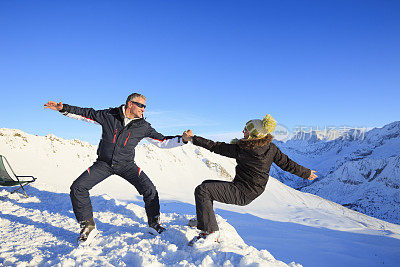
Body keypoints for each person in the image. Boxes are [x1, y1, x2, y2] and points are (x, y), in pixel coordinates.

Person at [44, 93, 192, 242]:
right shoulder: (109, 115)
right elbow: (86, 113)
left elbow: (162, 141)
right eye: (141, 105)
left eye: (145, 106)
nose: (143, 109)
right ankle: (88, 227)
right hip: (104, 164)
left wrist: (183, 140)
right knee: (78, 187)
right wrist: (63, 108)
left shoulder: (143, 126)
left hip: (127, 165)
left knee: (150, 189)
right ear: (130, 104)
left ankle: (154, 224)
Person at [184, 114, 317, 246]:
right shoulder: (271, 148)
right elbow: (287, 163)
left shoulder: (243, 149)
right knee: (206, 185)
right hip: (252, 190)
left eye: (246, 129)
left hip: (242, 192)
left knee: (202, 190)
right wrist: (306, 173)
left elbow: (215, 146)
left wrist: (192, 138)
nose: (243, 131)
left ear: (254, 134)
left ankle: (210, 232)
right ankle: (204, 219)